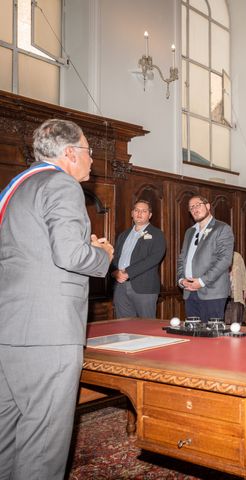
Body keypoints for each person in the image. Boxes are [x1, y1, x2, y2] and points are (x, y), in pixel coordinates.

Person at [0, 119, 113, 480]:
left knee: (7, 435)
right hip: (47, 333)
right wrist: (103, 255)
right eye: (88, 151)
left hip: (9, 328)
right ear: (69, 153)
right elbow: (70, 256)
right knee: (43, 443)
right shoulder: (60, 184)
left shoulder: (15, 188)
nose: (92, 160)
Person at [177, 195, 234, 321]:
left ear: (208, 206)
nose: (195, 209)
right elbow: (182, 259)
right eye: (191, 207)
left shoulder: (222, 228)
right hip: (189, 292)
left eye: (198, 205)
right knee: (193, 335)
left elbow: (224, 260)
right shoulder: (189, 232)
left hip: (212, 292)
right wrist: (181, 280)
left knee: (211, 336)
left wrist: (201, 281)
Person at [111, 199, 166, 318]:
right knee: (123, 327)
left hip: (144, 288)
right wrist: (115, 272)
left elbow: (154, 258)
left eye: (144, 211)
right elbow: (115, 257)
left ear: (149, 215)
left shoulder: (157, 234)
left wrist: (128, 273)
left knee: (146, 328)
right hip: (120, 286)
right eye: (136, 210)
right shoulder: (124, 234)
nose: (139, 213)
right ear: (132, 213)